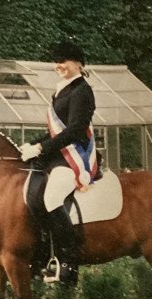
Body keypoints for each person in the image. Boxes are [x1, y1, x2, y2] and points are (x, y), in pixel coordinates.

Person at [20, 40, 98, 284]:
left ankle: (69, 261)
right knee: (32, 193)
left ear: (78, 64)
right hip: (60, 153)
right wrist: (32, 144)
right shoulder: (62, 90)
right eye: (56, 61)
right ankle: (44, 254)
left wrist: (42, 147)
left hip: (77, 155)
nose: (59, 65)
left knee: (52, 197)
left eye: (63, 60)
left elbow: (75, 130)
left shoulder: (82, 91)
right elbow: (56, 133)